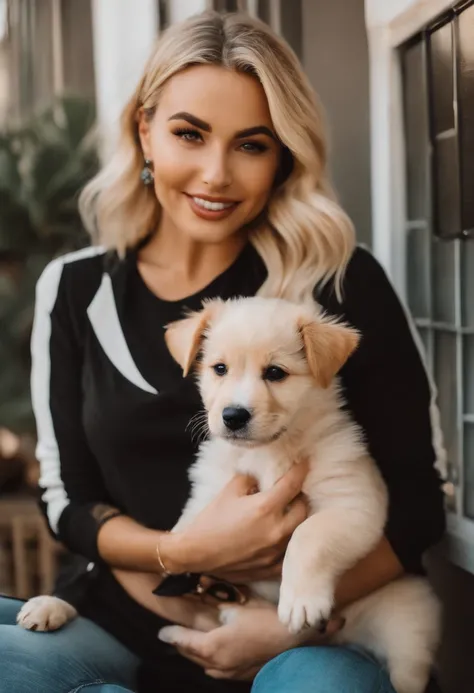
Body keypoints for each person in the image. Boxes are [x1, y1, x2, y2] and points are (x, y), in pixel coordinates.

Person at [0, 10, 445, 693]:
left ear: (284, 155)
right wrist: (179, 550)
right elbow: (67, 497)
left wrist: (297, 621)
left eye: (251, 144)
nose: (215, 173)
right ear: (145, 130)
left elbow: (416, 500)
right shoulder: (75, 288)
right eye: (189, 133)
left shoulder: (335, 284)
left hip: (304, 626)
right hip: (119, 619)